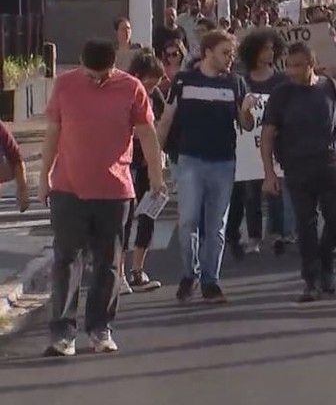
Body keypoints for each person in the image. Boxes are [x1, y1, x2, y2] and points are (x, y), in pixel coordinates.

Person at [40, 39, 164, 356]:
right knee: (66, 260)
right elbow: (53, 131)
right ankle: (63, 333)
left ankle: (99, 328)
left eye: (101, 75)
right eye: (90, 75)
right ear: (81, 63)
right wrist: (43, 177)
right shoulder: (65, 85)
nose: (95, 80)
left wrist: (155, 174)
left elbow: (147, 133)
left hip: (114, 190)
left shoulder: (131, 87)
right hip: (68, 187)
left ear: (113, 65)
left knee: (108, 264)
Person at [259, 42, 336, 303]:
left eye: (297, 66)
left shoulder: (329, 87)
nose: (291, 71)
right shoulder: (281, 95)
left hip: (330, 163)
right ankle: (311, 279)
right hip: (297, 167)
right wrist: (269, 173)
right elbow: (267, 135)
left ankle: (327, 263)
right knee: (306, 223)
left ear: (311, 66)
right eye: (288, 65)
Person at [157, 30, 257, 305]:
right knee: (188, 220)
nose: (230, 58)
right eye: (225, 52)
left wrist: (247, 109)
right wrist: (156, 159)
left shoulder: (236, 83)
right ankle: (190, 274)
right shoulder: (184, 81)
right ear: (208, 52)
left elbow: (245, 125)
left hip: (223, 162)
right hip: (190, 160)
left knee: (216, 226)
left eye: (232, 54)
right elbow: (166, 119)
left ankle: (210, 281)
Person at [227, 28, 291, 259]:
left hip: (277, 143)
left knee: (276, 189)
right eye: (265, 49)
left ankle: (277, 233)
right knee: (252, 192)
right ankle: (254, 236)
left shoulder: (282, 79)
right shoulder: (245, 82)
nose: (270, 52)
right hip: (249, 146)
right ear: (254, 52)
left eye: (273, 48)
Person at [120, 51, 168, 295]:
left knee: (148, 215)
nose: (152, 87)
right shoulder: (123, 92)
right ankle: (118, 272)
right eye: (150, 81)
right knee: (124, 217)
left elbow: (159, 125)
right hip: (126, 161)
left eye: (156, 83)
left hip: (149, 161)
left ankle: (137, 269)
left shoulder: (155, 96)